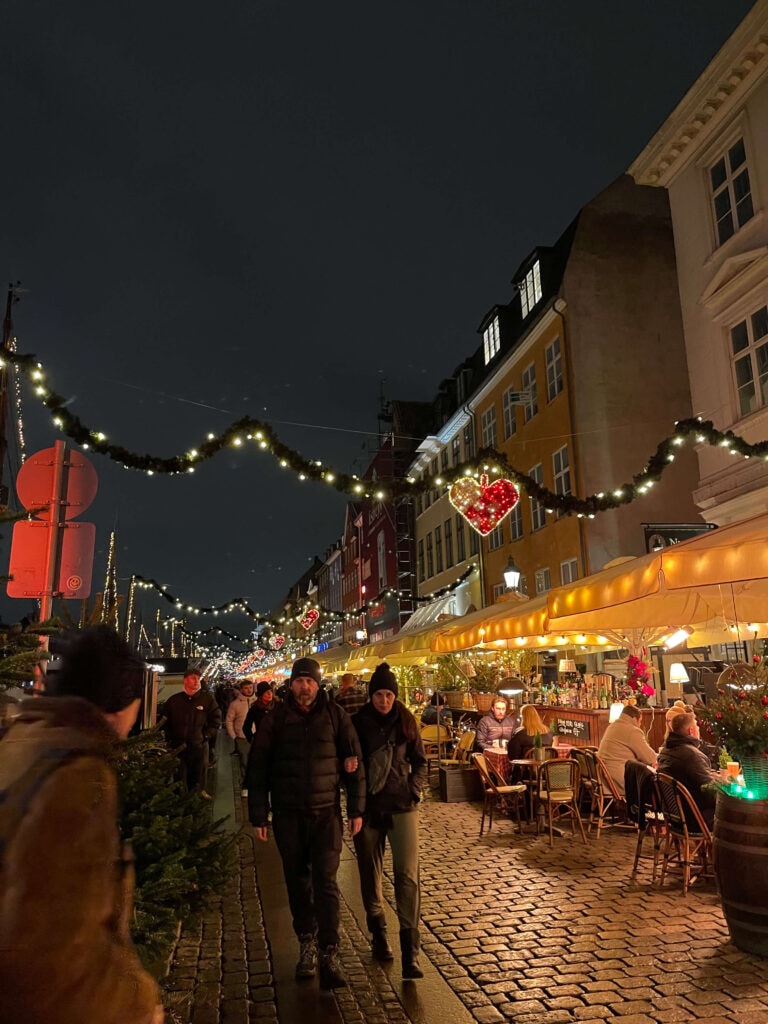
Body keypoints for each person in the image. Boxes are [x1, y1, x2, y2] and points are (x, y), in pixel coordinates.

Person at [0, 625, 164, 1024]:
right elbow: (57, 950)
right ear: (122, 703)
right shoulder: (78, 775)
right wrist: (139, 1004)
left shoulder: (25, 738)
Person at [245, 656, 365, 990]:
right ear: (292, 684)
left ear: (318, 683)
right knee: (298, 883)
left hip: (326, 814)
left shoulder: (335, 716)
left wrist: (356, 809)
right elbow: (258, 768)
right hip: (288, 815)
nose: (304, 686)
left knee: (326, 883)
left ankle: (329, 950)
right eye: (299, 681)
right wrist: (259, 814)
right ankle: (306, 943)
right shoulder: (275, 719)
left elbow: (355, 762)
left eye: (309, 681)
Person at [352, 663, 427, 979]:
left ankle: (410, 953)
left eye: (388, 694)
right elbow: (350, 765)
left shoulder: (406, 722)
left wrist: (414, 789)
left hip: (401, 807)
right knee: (370, 873)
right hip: (369, 810)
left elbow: (421, 762)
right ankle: (379, 935)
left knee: (407, 877)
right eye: (379, 694)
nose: (383, 700)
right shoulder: (356, 724)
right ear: (371, 695)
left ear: (395, 695)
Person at [162, 669, 222, 798]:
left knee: (199, 773)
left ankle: (198, 794)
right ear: (185, 680)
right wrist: (170, 739)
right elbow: (164, 722)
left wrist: (206, 736)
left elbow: (216, 719)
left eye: (197, 678)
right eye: (192, 678)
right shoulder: (174, 700)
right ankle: (180, 797)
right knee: (179, 773)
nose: (196, 681)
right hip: (178, 746)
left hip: (199, 745)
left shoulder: (207, 699)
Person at [657, 710, 717, 828]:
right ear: (691, 731)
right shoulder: (692, 756)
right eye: (697, 727)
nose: (699, 730)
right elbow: (710, 792)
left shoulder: (665, 751)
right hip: (695, 818)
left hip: (676, 816)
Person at [597, 704, 657, 796]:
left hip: (606, 776)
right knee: (655, 783)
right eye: (640, 721)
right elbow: (650, 758)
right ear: (634, 719)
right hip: (621, 777)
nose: (640, 725)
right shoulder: (632, 730)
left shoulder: (612, 726)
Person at [225, 679, 258, 765]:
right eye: (246, 688)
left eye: (250, 687)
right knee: (245, 762)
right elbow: (229, 721)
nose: (249, 690)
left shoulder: (258, 702)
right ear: (241, 689)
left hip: (258, 736)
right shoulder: (235, 704)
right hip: (242, 738)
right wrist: (234, 737)